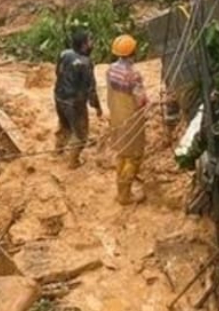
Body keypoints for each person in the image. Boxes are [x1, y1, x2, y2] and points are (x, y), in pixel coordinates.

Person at [107, 34, 149, 205]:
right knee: (133, 157)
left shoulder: (110, 69)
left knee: (121, 154)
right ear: (133, 52)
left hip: (116, 117)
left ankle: (121, 189)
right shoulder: (133, 75)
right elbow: (141, 100)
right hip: (131, 119)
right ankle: (125, 195)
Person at [54, 30, 101, 168]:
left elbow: (58, 72)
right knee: (81, 133)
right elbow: (91, 89)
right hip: (75, 102)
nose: (92, 43)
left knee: (64, 124)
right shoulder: (85, 63)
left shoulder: (64, 54)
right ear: (84, 45)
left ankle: (58, 150)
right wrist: (97, 106)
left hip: (59, 96)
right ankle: (73, 162)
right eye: (90, 41)